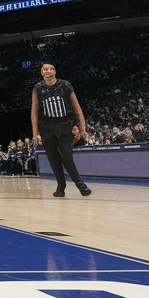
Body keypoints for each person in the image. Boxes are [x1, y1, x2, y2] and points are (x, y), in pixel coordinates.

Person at [30, 63, 92, 198]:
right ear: (42, 73)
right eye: (45, 69)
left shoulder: (65, 85)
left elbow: (77, 108)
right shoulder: (38, 88)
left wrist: (82, 128)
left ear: (55, 71)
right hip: (46, 127)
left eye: (51, 69)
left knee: (67, 156)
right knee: (53, 159)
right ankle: (61, 186)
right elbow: (34, 112)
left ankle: (80, 184)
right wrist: (35, 134)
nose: (48, 71)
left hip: (64, 125)